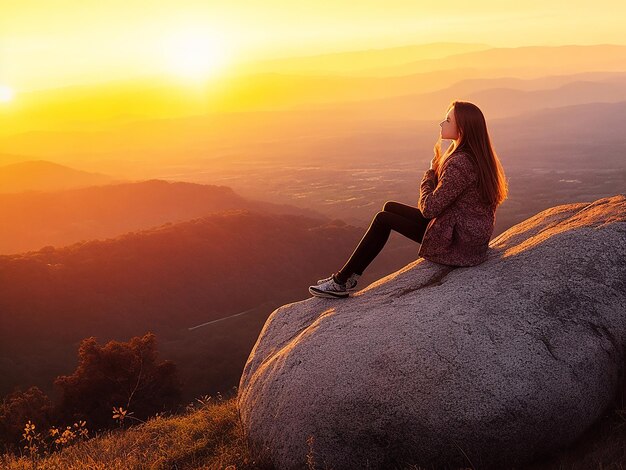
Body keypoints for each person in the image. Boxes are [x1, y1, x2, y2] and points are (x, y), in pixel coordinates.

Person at [309, 100, 508, 299]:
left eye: (448, 120)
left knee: (383, 219)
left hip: (459, 243)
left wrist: (430, 173)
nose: (442, 124)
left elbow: (429, 209)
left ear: (462, 128)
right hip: (467, 235)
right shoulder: (473, 156)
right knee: (389, 207)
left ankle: (341, 282)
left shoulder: (460, 164)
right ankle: (348, 278)